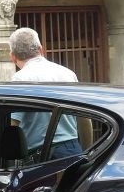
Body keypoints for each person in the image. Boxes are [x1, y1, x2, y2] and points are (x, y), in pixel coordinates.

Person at [8, 27, 84, 160]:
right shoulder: (68, 73)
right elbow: (84, 118)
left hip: (42, 154)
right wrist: (84, 149)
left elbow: (12, 125)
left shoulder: (19, 79)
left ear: (13, 57)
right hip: (73, 148)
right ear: (41, 49)